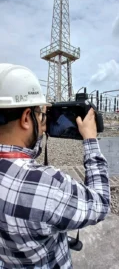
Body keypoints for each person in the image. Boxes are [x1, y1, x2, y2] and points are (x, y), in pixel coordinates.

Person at [0, 63, 110, 269]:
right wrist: (91, 141)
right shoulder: (45, 185)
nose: (44, 125)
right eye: (41, 116)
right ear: (26, 118)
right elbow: (101, 203)